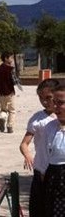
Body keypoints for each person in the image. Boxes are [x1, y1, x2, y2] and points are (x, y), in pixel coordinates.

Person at [19, 78, 59, 217]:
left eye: (48, 98)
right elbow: (24, 143)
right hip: (41, 168)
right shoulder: (37, 119)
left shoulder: (60, 118)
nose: (45, 102)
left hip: (58, 171)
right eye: (41, 98)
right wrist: (28, 155)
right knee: (38, 208)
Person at [35, 83, 65, 216]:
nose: (56, 107)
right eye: (55, 102)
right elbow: (44, 160)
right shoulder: (50, 127)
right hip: (53, 182)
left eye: (61, 103)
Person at [0, 52, 18, 133]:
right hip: (10, 92)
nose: (12, 59)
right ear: (6, 58)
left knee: (3, 109)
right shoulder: (11, 69)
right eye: (11, 58)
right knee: (12, 110)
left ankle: (2, 117)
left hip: (0, 93)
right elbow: (15, 82)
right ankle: (10, 126)